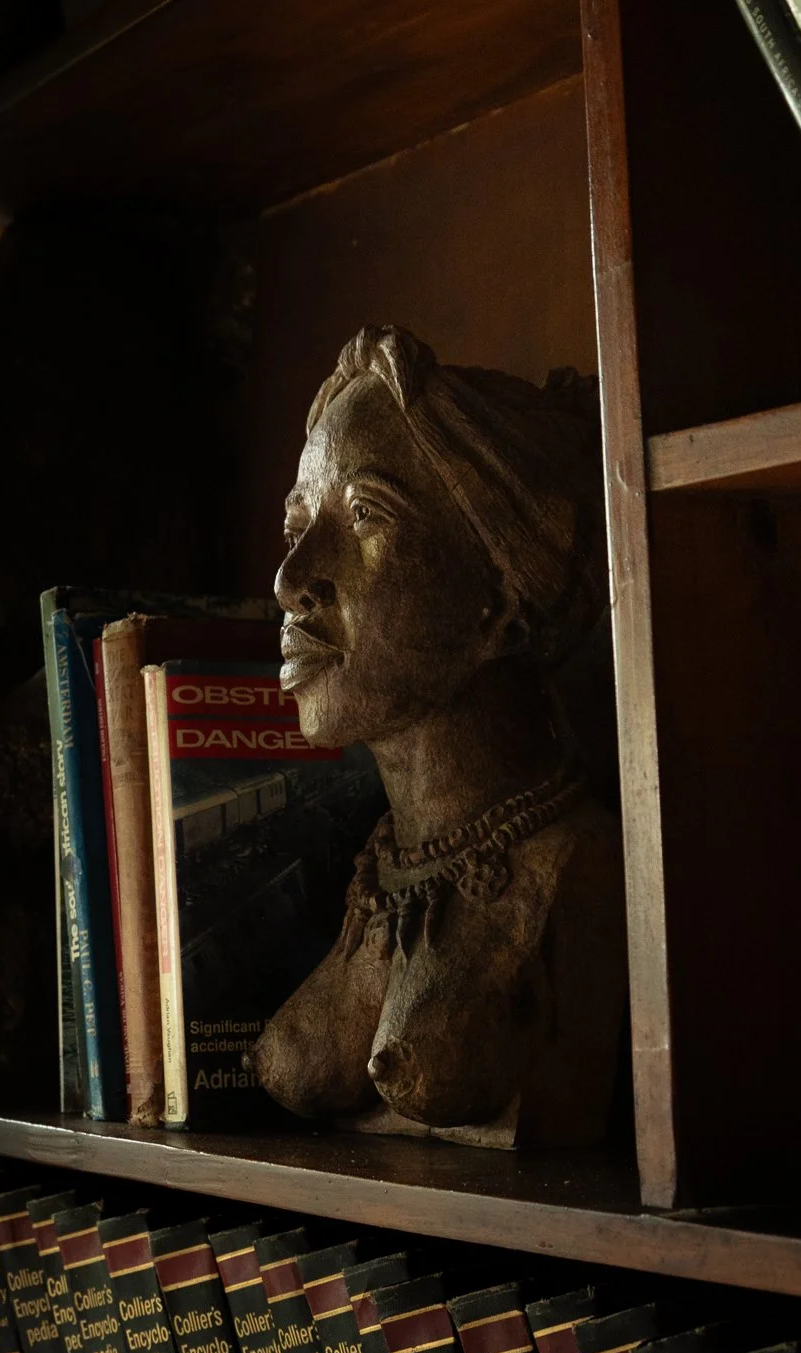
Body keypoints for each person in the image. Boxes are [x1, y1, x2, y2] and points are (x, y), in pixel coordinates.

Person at [249, 326, 626, 1147]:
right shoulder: (379, 872)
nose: (288, 583)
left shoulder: (575, 869)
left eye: (364, 515)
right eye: (297, 526)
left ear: (497, 594)